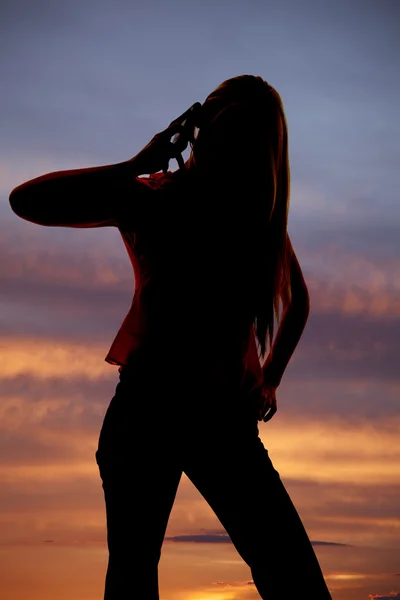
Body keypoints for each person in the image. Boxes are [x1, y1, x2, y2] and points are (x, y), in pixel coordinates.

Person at [9, 74, 332, 599]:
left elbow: (297, 301)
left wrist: (270, 379)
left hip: (208, 414)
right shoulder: (157, 199)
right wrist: (135, 167)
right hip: (154, 407)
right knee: (147, 576)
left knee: (279, 573)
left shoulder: (248, 213)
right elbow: (25, 200)